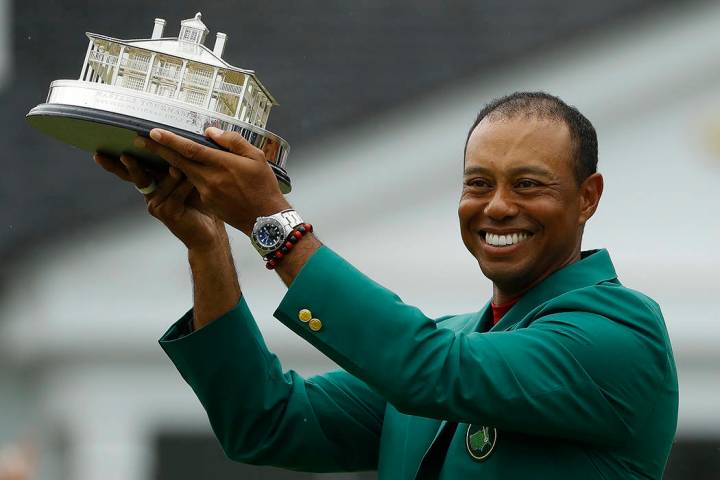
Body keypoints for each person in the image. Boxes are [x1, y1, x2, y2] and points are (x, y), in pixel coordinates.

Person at [95, 92, 678, 479]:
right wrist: (208, 244)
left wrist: (275, 225)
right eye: (479, 183)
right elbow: (265, 420)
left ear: (588, 197)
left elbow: (427, 369)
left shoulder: (620, 335)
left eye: (528, 184)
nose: (497, 207)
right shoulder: (452, 345)